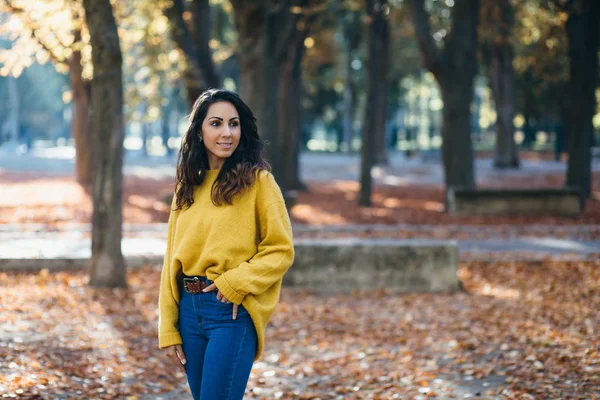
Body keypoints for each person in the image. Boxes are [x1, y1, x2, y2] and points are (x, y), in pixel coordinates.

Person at [158, 88, 295, 399]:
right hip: (189, 313)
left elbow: (281, 249)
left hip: (230, 312)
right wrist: (168, 326)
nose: (227, 133)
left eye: (234, 124)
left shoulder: (259, 182)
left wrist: (235, 282)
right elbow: (171, 261)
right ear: (199, 130)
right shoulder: (187, 186)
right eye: (216, 123)